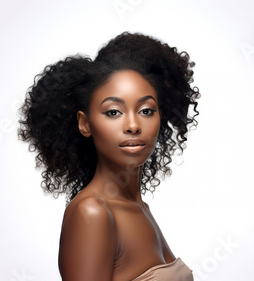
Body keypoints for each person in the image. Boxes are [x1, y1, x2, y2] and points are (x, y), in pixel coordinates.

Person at [18, 31, 200, 281]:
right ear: (85, 123)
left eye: (146, 110)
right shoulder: (92, 213)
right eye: (114, 112)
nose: (133, 125)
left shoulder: (139, 208)